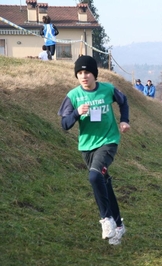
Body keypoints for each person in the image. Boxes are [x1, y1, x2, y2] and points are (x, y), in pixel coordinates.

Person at [57, 56, 130, 245]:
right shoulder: (73, 96)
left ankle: (106, 220)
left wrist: (124, 120)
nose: (84, 76)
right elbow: (65, 124)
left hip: (108, 141)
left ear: (94, 74)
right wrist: (77, 112)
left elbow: (124, 101)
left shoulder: (108, 89)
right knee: (103, 183)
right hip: (86, 146)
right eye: (80, 73)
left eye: (87, 72)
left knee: (94, 176)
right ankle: (119, 226)